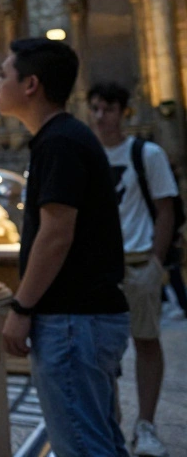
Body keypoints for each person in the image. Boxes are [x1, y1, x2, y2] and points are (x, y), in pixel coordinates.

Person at [0, 39, 129, 457]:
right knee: (100, 439)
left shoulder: (60, 142)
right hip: (84, 318)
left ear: (31, 84)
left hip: (73, 320)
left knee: (83, 446)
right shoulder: (64, 137)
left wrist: (21, 308)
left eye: (4, 75)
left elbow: (56, 232)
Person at [87, 82, 176, 457]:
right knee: (100, 349)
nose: (99, 116)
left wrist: (156, 261)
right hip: (99, 268)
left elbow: (166, 209)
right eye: (93, 108)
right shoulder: (86, 154)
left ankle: (147, 425)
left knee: (145, 340)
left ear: (123, 111)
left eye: (107, 108)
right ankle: (110, 423)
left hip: (139, 261)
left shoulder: (146, 153)